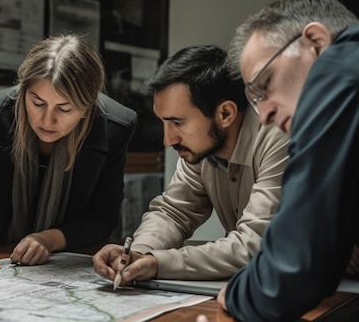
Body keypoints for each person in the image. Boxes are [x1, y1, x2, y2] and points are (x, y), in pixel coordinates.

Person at [205, 0, 359, 321]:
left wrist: (237, 293)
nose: (264, 115)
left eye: (267, 83)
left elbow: (291, 273)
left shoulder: (338, 71)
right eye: (255, 98)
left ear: (316, 44)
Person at [93, 45, 290, 283]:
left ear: (226, 114)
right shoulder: (203, 147)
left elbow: (257, 242)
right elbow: (174, 213)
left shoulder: (280, 134)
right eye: (164, 123)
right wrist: (138, 253)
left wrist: (158, 263)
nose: (168, 140)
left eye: (177, 123)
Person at [0, 33, 138, 265]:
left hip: (70, 257)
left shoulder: (115, 127)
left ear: (88, 107)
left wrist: (48, 240)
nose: (47, 120)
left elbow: (103, 216)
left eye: (64, 109)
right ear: (23, 91)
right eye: (37, 103)